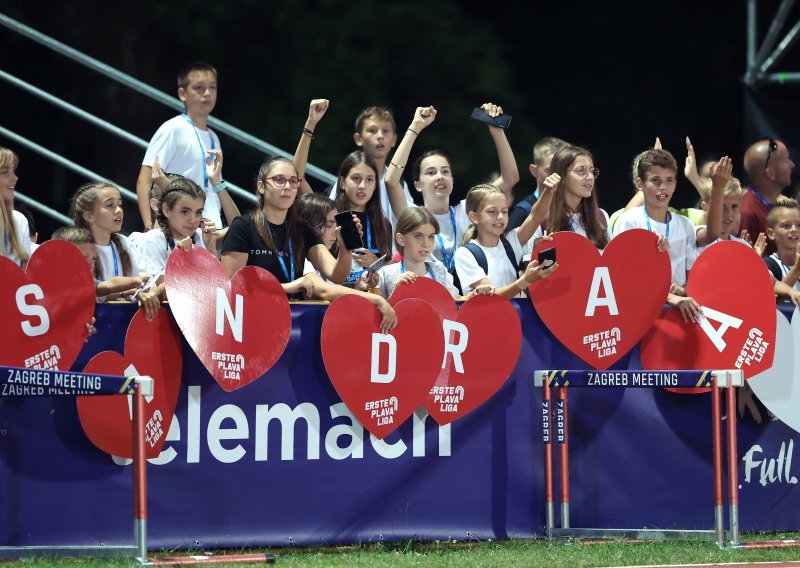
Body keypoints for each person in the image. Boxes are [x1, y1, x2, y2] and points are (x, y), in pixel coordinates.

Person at [383, 104, 520, 275]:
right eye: (431, 172)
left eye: (445, 171)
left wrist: (496, 130)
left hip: (465, 295)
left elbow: (510, 178)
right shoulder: (411, 214)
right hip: (426, 294)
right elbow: (391, 180)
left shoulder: (466, 210)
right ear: (418, 185)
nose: (440, 176)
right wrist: (415, 127)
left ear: (452, 181)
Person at [613, 150, 729, 322]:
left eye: (669, 181)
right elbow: (622, 278)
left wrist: (683, 291)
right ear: (640, 183)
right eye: (655, 180)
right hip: (638, 318)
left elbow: (691, 282)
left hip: (677, 318)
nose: (663, 187)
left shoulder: (685, 225)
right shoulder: (629, 221)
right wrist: (669, 298)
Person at [220, 155, 353, 297]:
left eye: (293, 181)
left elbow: (337, 275)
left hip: (293, 315)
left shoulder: (302, 229)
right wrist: (285, 287)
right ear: (261, 186)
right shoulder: (243, 227)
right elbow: (231, 284)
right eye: (279, 180)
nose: (288, 187)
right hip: (254, 314)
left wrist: (346, 249)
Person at [135, 62, 239, 230]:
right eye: (199, 88)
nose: (207, 93)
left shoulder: (213, 137)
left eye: (212, 87)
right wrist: (149, 228)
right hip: (178, 230)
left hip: (209, 230)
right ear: (183, 93)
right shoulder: (173, 128)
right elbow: (145, 180)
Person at [293, 192, 397, 333]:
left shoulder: (328, 260)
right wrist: (377, 300)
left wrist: (360, 287)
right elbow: (324, 291)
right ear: (310, 226)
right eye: (329, 225)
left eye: (336, 226)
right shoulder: (302, 258)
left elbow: (336, 292)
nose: (334, 233)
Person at [69, 182, 160, 319]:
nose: (119, 210)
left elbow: (146, 282)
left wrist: (149, 292)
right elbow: (88, 293)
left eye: (120, 204)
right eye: (110, 205)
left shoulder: (123, 243)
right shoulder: (79, 248)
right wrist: (129, 288)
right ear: (89, 216)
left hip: (121, 323)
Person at [454, 184, 557, 299]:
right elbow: (490, 297)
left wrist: (548, 191)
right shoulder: (465, 253)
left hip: (516, 316)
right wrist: (526, 280)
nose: (500, 217)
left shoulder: (511, 241)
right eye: (492, 211)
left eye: (504, 211)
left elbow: (536, 216)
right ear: (474, 217)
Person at [322, 105, 414, 230]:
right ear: (358, 138)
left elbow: (411, 224)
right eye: (372, 130)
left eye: (386, 131)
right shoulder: (344, 181)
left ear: (394, 139)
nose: (380, 136)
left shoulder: (400, 184)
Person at [533, 145, 611, 249]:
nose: (590, 177)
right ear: (562, 176)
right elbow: (530, 261)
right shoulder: (542, 219)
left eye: (592, 171)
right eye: (581, 170)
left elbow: (611, 260)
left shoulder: (601, 216)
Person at [333, 151, 394, 283]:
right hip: (337, 296)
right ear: (342, 182)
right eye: (356, 178)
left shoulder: (383, 224)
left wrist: (377, 264)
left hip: (373, 297)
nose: (362, 186)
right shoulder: (331, 219)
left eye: (369, 180)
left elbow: (392, 270)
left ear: (375, 186)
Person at [376, 207, 460, 299]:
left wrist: (473, 295)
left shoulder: (440, 271)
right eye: (418, 236)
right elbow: (378, 310)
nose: (426, 244)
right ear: (401, 239)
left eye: (431, 237)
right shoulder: (385, 274)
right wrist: (396, 292)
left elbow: (454, 304)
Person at [51, 226, 150, 299]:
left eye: (93, 259)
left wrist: (132, 284)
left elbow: (107, 285)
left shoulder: (88, 285)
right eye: (84, 257)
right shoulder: (43, 286)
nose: (91, 264)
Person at [741, 137, 795, 255]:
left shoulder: (785, 204)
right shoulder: (747, 213)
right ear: (770, 173)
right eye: (786, 160)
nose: (792, 164)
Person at [507, 137, 567, 231]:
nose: (556, 175)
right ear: (534, 171)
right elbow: (508, 245)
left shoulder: (572, 210)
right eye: (550, 170)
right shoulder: (522, 211)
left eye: (561, 169)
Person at [0, 147, 31, 266]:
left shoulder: (20, 220)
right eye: (4, 172)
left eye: (14, 171)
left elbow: (24, 270)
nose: (15, 178)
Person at [763, 197, 800, 291]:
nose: (794, 229)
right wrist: (797, 269)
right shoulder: (768, 265)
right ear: (771, 234)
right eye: (786, 225)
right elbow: (771, 298)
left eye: (799, 225)